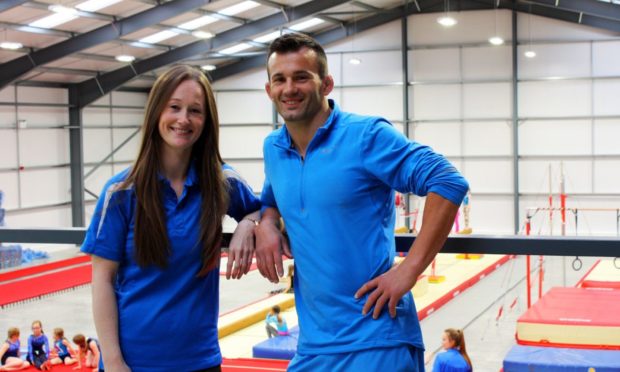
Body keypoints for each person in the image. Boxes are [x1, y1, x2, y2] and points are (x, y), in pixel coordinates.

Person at [255, 33, 469, 371]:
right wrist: (265, 222)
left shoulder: (366, 136)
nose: (289, 88)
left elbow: (447, 181)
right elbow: (271, 197)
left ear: (326, 84)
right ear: (269, 90)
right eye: (279, 79)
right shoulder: (274, 149)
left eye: (301, 77)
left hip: (376, 338)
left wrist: (409, 271)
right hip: (313, 345)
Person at [81, 65, 261, 372]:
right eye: (174, 107)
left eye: (195, 110)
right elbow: (102, 280)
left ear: (207, 121)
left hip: (199, 360)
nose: (183, 119)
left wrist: (249, 221)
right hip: (134, 363)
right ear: (155, 113)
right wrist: (113, 360)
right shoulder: (121, 193)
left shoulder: (221, 182)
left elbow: (264, 209)